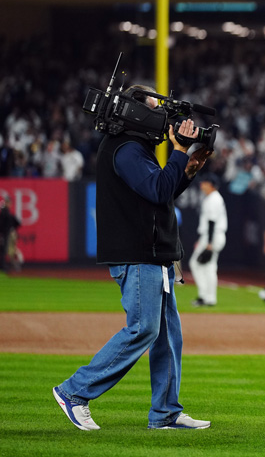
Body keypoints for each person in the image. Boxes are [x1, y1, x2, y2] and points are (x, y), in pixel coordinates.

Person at [52, 85, 212, 431]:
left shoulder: (133, 148)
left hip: (153, 252)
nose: (162, 115)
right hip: (138, 253)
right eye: (155, 108)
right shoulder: (125, 149)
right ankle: (74, 391)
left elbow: (161, 193)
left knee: (169, 336)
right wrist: (180, 151)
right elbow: (157, 190)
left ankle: (166, 413)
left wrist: (188, 167)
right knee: (143, 329)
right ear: (134, 113)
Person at [190, 173, 228, 307]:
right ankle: (208, 298)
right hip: (211, 236)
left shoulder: (213, 199)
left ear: (210, 184)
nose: (202, 184)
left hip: (213, 236)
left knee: (198, 265)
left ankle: (206, 297)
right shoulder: (213, 198)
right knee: (208, 267)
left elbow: (212, 222)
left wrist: (209, 243)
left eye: (204, 182)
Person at [0, 196, 21, 272]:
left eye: (9, 202)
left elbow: (17, 223)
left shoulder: (7, 212)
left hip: (6, 234)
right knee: (2, 250)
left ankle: (3, 265)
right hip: (3, 234)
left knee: (4, 250)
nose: (9, 204)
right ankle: (2, 266)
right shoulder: (3, 212)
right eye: (7, 202)